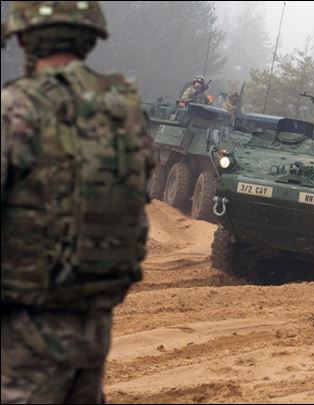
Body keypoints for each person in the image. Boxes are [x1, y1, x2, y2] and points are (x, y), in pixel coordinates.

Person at [1, 1, 153, 403]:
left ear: (25, 38)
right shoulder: (123, 113)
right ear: (88, 38)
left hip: (24, 331)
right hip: (92, 326)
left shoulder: (16, 108)